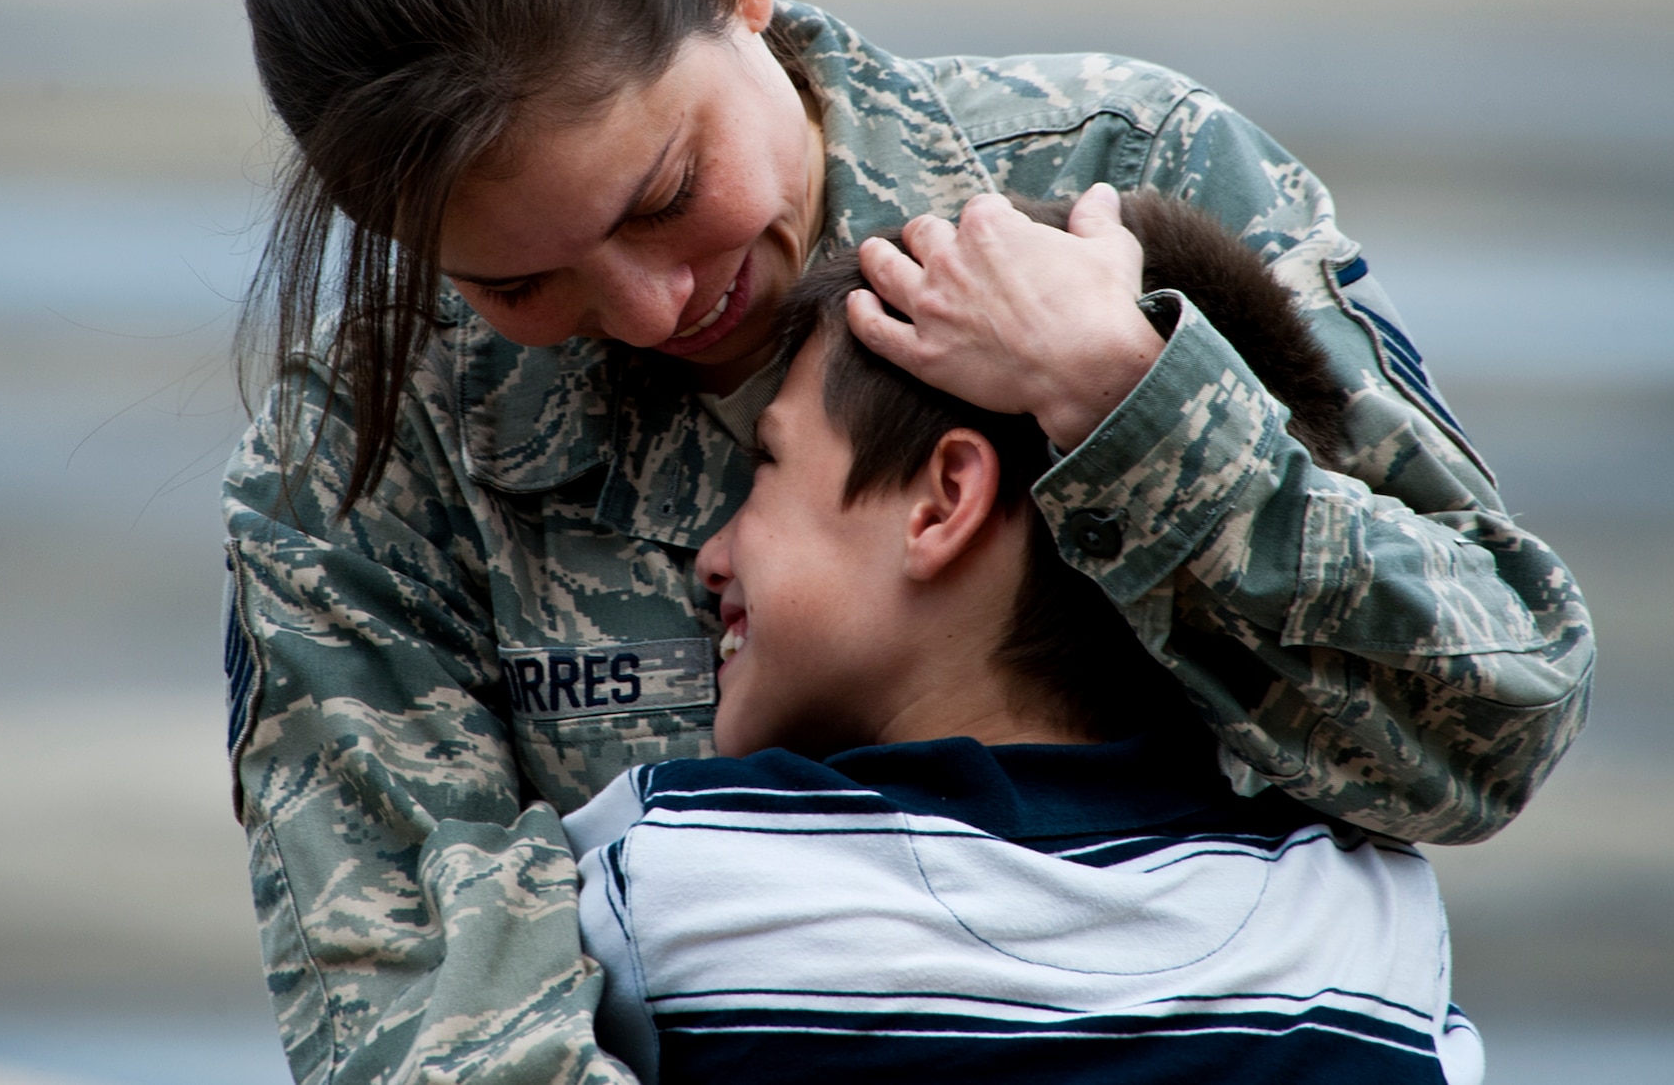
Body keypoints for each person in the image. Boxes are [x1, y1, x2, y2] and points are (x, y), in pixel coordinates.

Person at [222, 0, 1591, 1085]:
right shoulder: (368, 452)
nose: (645, 306)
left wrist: (1128, 403)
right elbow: (430, 1031)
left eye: (667, 194)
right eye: (515, 280)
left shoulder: (1121, 181)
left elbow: (1483, 735)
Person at [564, 197, 1486, 1083]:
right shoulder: (1371, 925)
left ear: (943, 504)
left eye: (768, 464)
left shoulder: (674, 873)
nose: (710, 558)